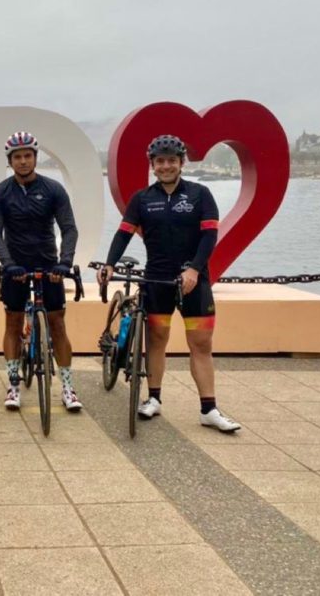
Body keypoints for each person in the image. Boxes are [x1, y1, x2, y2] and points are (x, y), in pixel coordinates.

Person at [98, 134, 240, 432]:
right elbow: (123, 233)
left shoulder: (200, 195)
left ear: (181, 163)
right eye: (160, 161)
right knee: (157, 341)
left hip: (193, 282)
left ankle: (209, 409)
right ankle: (154, 399)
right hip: (157, 280)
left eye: (171, 161)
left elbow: (209, 236)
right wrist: (109, 264)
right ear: (152, 165)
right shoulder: (142, 199)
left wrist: (194, 269)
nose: (166, 166)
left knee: (200, 344)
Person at [0, 131, 82, 412]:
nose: (23, 161)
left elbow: (69, 228)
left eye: (28, 156)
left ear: (35, 158)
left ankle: (67, 387)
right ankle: (13, 384)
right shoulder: (0, 193)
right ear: (11, 161)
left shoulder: (53, 189)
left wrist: (64, 262)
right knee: (13, 324)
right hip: (15, 267)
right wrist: (7, 263)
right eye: (18, 157)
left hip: (49, 265)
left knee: (58, 325)